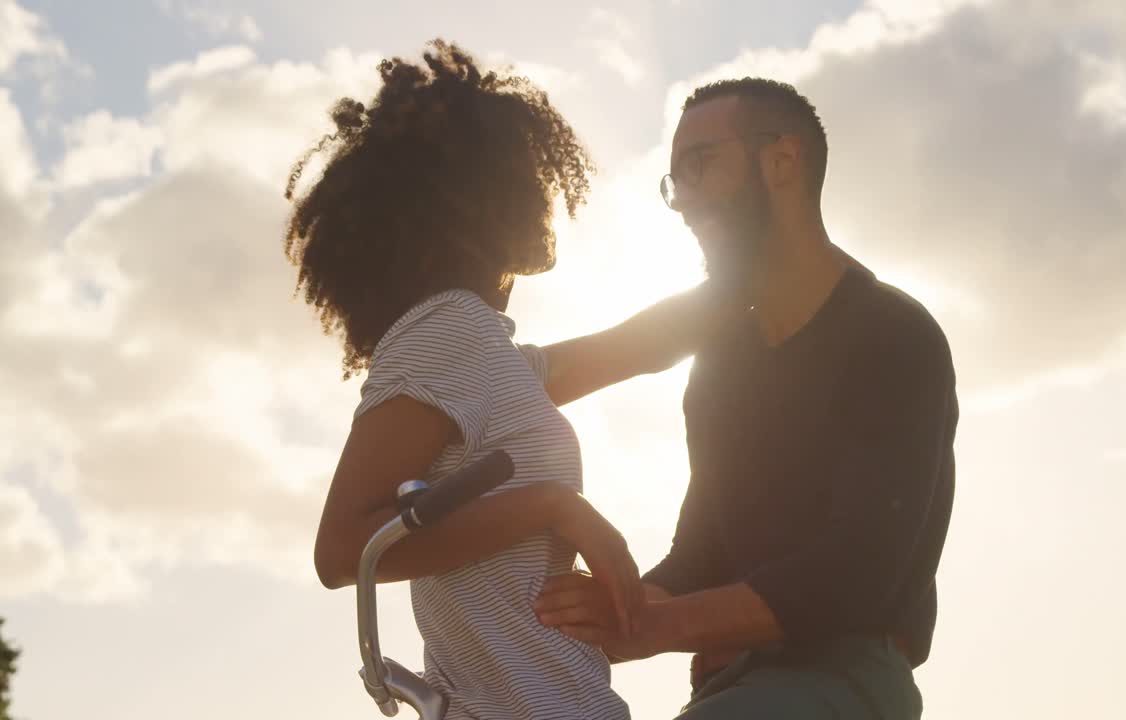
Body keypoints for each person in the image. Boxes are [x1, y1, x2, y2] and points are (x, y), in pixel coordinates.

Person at [290, 41, 729, 720]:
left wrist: (753, 260)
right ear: (478, 194)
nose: (545, 192)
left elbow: (640, 347)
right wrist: (553, 507)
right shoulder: (448, 330)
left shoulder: (485, 353)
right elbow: (343, 550)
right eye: (525, 173)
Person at [534, 78, 959, 719]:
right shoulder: (724, 361)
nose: (683, 200)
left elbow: (855, 572)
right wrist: (601, 611)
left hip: (849, 681)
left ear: (782, 161)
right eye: (675, 180)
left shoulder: (893, 335)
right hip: (729, 688)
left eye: (701, 165)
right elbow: (701, 557)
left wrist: (650, 626)